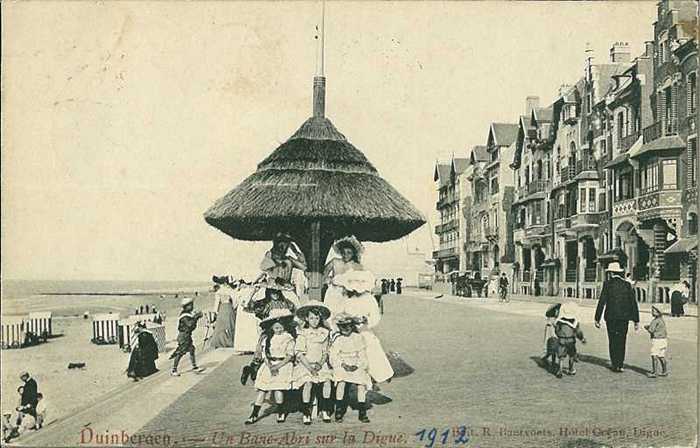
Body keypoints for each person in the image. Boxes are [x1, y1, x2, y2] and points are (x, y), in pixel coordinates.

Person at [333, 269, 394, 385]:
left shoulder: (369, 299)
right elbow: (338, 313)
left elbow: (376, 316)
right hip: (348, 330)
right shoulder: (346, 299)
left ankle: (378, 375)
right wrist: (345, 318)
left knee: (370, 345)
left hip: (363, 329)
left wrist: (366, 320)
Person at [245, 309, 296, 425]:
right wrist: (269, 366)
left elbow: (289, 355)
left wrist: (277, 366)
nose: (279, 329)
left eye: (281, 327)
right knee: (262, 389)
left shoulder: (288, 338)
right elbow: (265, 355)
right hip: (269, 365)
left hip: (282, 364)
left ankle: (281, 411)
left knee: (278, 389)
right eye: (276, 327)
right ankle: (254, 414)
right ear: (272, 328)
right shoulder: (268, 339)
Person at [292, 301, 333, 424]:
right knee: (308, 383)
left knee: (327, 382)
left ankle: (325, 409)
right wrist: (310, 368)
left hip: (320, 364)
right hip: (306, 364)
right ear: (306, 319)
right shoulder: (303, 333)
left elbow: (325, 352)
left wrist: (320, 364)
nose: (314, 321)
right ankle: (306, 412)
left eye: (316, 318)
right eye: (311, 318)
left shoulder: (324, 332)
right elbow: (299, 354)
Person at [594, 262, 640, 373]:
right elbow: (633, 303)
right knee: (622, 340)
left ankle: (614, 364)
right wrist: (636, 320)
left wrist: (597, 318)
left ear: (610, 273)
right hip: (624, 317)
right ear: (620, 272)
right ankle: (620, 364)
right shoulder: (627, 285)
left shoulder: (607, 284)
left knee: (612, 340)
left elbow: (602, 302)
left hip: (611, 317)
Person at [330, 313, 372, 423]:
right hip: (342, 364)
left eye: (348, 326)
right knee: (341, 382)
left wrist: (357, 365)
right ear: (339, 327)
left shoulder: (358, 338)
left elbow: (362, 355)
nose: (346, 329)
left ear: (352, 326)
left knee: (361, 384)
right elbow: (334, 355)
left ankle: (362, 412)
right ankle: (339, 410)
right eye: (342, 326)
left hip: (356, 364)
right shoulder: (338, 339)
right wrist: (343, 364)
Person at [323, 236, 365, 319]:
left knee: (347, 317)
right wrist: (328, 280)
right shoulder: (335, 261)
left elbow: (360, 283)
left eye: (349, 252)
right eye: (343, 252)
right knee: (332, 316)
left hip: (348, 295)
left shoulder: (357, 266)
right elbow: (323, 275)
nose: (346, 255)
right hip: (333, 294)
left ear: (354, 253)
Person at [169, 297, 204, 376]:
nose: (192, 306)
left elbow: (191, 325)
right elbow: (190, 325)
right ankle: (174, 370)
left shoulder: (187, 314)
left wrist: (195, 317)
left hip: (187, 335)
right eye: (191, 305)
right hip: (183, 336)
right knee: (180, 352)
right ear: (186, 306)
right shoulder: (184, 316)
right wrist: (196, 317)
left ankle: (194, 367)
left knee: (192, 349)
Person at [550, 304, 586, 378]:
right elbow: (578, 332)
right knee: (571, 355)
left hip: (562, 340)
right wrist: (582, 339)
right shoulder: (575, 322)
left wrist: (560, 335)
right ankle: (571, 369)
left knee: (561, 357)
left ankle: (560, 370)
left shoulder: (559, 321)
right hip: (571, 341)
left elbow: (557, 331)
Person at [210, 276, 238, 349]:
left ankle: (220, 342)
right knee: (230, 324)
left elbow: (216, 303)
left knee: (221, 326)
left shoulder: (219, 292)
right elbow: (235, 301)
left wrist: (215, 312)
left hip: (222, 307)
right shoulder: (230, 290)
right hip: (229, 307)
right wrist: (234, 308)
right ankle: (230, 341)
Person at [644, 305, 668, 378]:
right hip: (664, 340)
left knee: (654, 355)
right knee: (661, 356)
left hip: (657, 340)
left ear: (658, 312)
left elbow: (651, 330)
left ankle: (655, 372)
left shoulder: (655, 321)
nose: (652, 312)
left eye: (653, 311)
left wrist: (646, 327)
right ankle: (664, 371)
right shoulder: (661, 320)